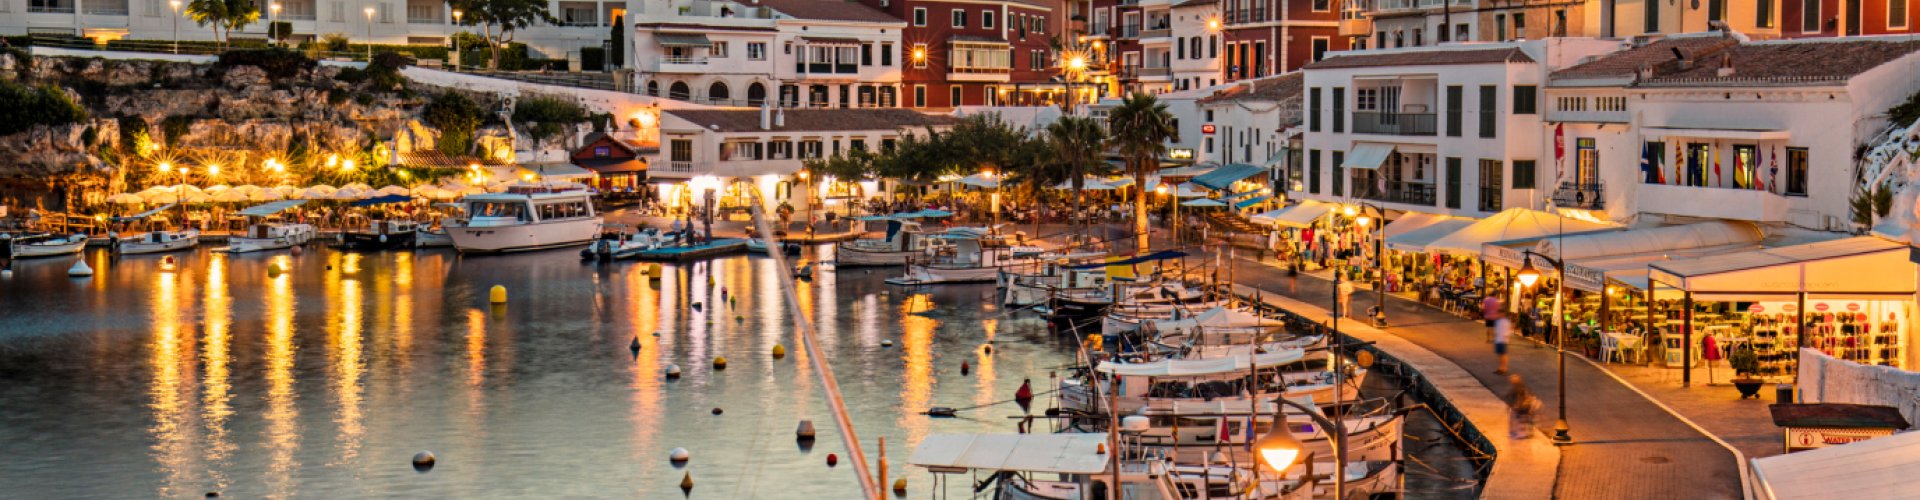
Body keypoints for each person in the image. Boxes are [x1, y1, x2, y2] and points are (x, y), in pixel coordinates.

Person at [1506, 374, 1539, 440]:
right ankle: (1525, 433)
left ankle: (1521, 433)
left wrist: (1515, 406)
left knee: (1520, 421)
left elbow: (1520, 398)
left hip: (1520, 408)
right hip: (1522, 407)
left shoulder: (1518, 389)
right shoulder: (1521, 388)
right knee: (1524, 421)